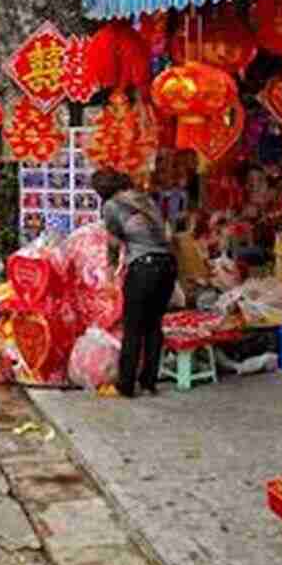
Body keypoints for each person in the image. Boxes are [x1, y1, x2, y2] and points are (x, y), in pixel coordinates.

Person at [92, 168, 176, 398]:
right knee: (153, 325)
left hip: (144, 267)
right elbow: (166, 232)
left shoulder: (112, 205)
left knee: (133, 328)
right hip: (168, 265)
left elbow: (113, 240)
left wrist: (110, 268)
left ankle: (125, 385)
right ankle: (149, 382)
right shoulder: (145, 199)